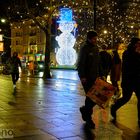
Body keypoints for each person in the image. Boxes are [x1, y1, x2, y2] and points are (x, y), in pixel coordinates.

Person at [77, 30, 104, 129]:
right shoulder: (84, 49)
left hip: (96, 78)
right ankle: (88, 118)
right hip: (87, 78)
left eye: (96, 38)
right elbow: (80, 63)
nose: (95, 40)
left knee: (94, 98)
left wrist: (102, 74)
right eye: (94, 39)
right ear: (89, 38)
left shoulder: (96, 48)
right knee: (91, 98)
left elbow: (98, 63)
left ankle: (85, 111)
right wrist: (82, 76)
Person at [111, 37, 140, 127]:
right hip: (129, 81)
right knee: (126, 98)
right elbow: (130, 67)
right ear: (135, 44)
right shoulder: (128, 53)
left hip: (137, 81)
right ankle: (114, 107)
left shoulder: (136, 53)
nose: (139, 45)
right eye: (138, 43)